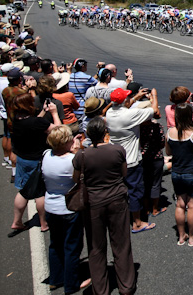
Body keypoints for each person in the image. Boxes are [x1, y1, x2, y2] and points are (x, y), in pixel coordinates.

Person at [72, 117, 136, 295]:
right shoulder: (117, 150)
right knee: (121, 243)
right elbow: (124, 172)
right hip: (117, 199)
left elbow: (76, 179)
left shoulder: (81, 156)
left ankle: (101, 289)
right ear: (105, 133)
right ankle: (126, 285)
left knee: (96, 247)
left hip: (93, 203)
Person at [42, 125, 90, 294]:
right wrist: (77, 151)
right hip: (69, 207)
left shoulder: (46, 155)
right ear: (67, 142)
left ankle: (55, 278)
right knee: (72, 246)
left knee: (55, 243)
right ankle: (71, 283)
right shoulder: (72, 160)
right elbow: (81, 177)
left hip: (51, 206)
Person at [105, 87, 159, 233]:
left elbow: (124, 104)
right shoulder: (130, 115)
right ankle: (137, 223)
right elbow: (154, 110)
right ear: (124, 101)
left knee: (120, 189)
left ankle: (121, 216)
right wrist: (153, 95)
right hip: (131, 159)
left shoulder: (110, 113)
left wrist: (135, 98)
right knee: (135, 190)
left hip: (115, 158)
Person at [10, 93, 61, 235]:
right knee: (40, 193)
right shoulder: (37, 123)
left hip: (22, 158)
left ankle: (17, 221)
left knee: (24, 191)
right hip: (36, 160)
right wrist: (54, 113)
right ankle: (43, 223)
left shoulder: (17, 120)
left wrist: (43, 111)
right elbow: (58, 130)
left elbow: (33, 123)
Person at [166, 103, 193, 246]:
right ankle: (192, 237)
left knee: (180, 204)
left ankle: (181, 236)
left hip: (177, 172)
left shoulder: (171, 132)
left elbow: (168, 152)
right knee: (192, 205)